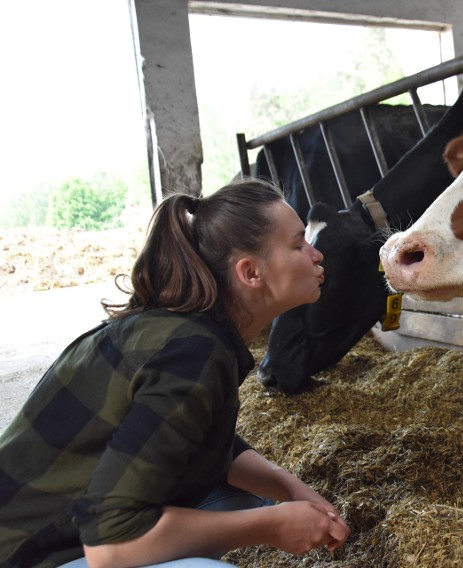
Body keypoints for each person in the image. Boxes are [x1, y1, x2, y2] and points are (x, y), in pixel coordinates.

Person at [0, 178, 350, 568]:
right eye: (298, 244)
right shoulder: (194, 354)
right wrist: (271, 526)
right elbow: (110, 546)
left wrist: (289, 488)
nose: (315, 255)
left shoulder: (191, 331)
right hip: (26, 553)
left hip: (65, 523)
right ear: (250, 273)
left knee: (249, 499)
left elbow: (191, 437)